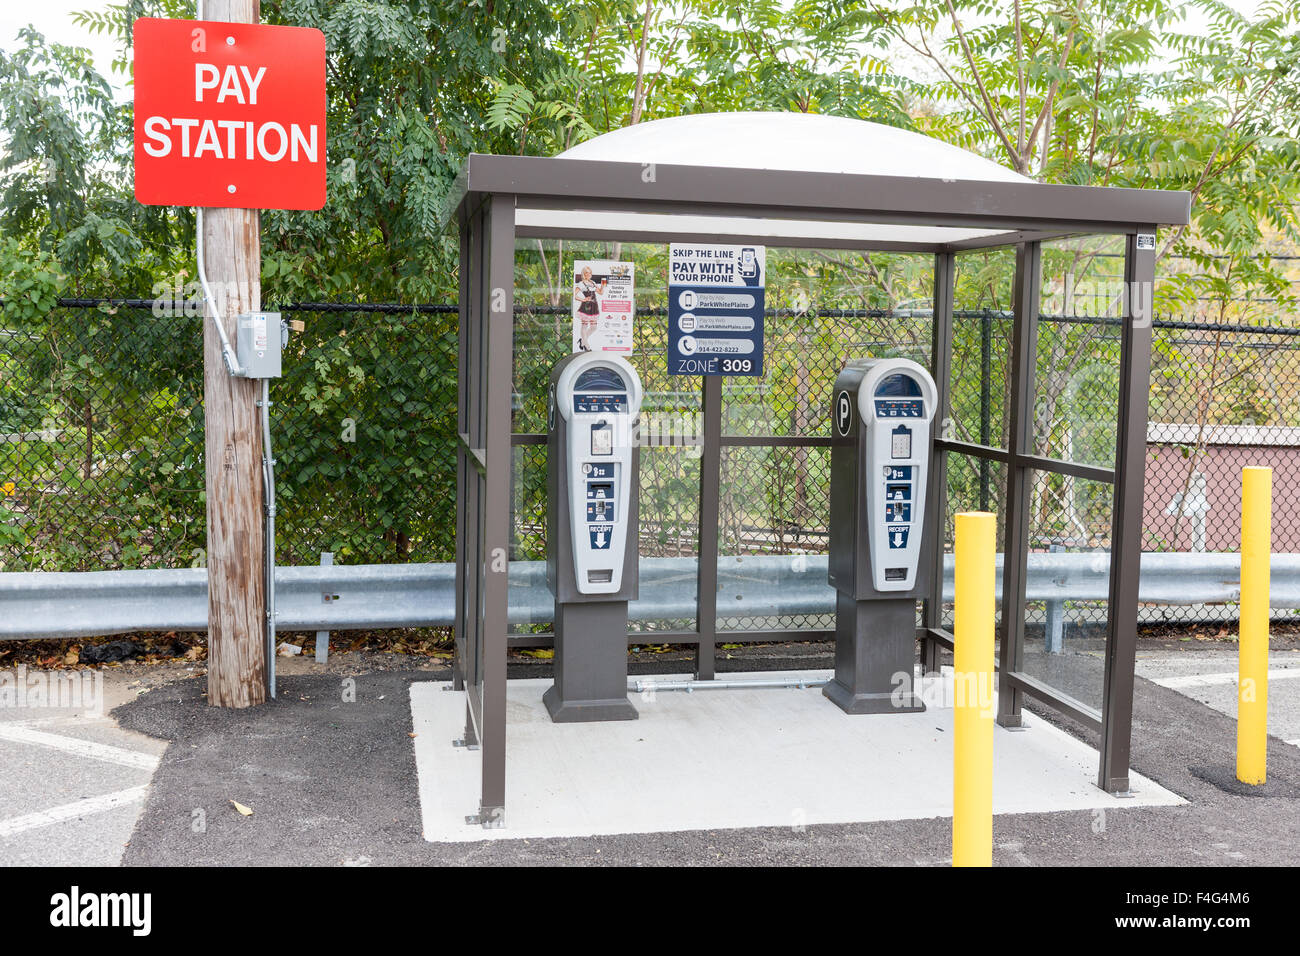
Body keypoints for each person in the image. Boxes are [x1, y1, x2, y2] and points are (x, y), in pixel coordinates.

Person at [573, 266, 607, 351]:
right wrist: (583, 299)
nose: (588, 274)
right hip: (586, 306)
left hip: (594, 306)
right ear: (584, 274)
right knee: (584, 326)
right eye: (586, 273)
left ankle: (582, 341)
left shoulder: (593, 282)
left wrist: (602, 286)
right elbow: (574, 295)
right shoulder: (581, 283)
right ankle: (586, 346)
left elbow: (601, 293)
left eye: (589, 272)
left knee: (594, 327)